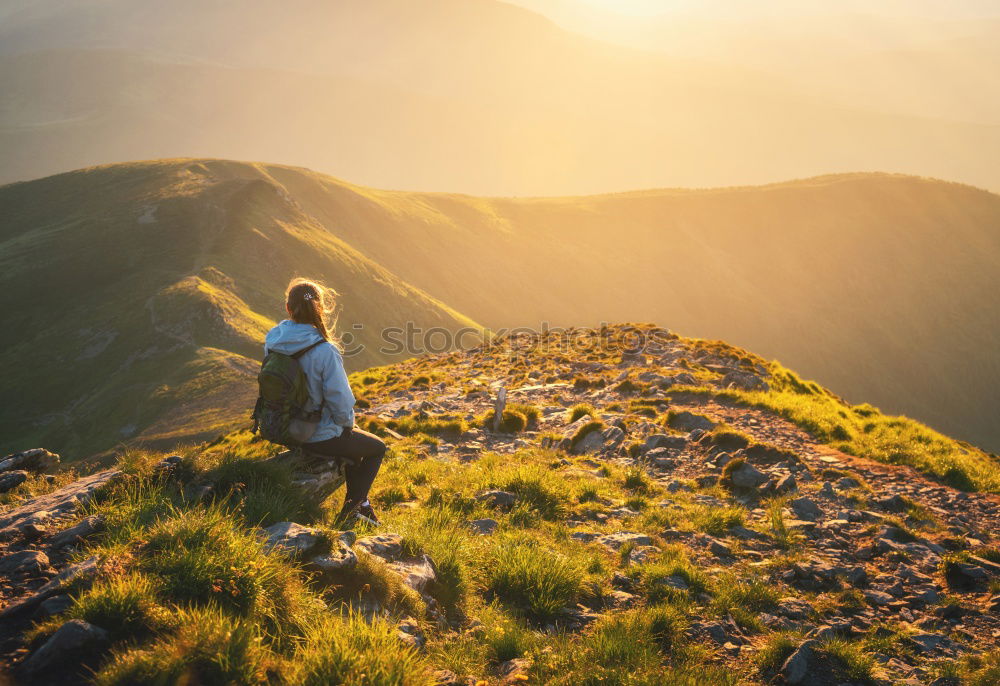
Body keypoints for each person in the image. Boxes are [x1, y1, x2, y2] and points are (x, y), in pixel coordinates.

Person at [263, 278, 386, 526]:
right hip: (314, 433)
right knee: (376, 448)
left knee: (353, 446)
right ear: (320, 309)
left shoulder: (273, 339)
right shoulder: (324, 350)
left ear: (288, 308)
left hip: (279, 426)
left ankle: (361, 507)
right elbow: (340, 401)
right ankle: (354, 508)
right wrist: (347, 426)